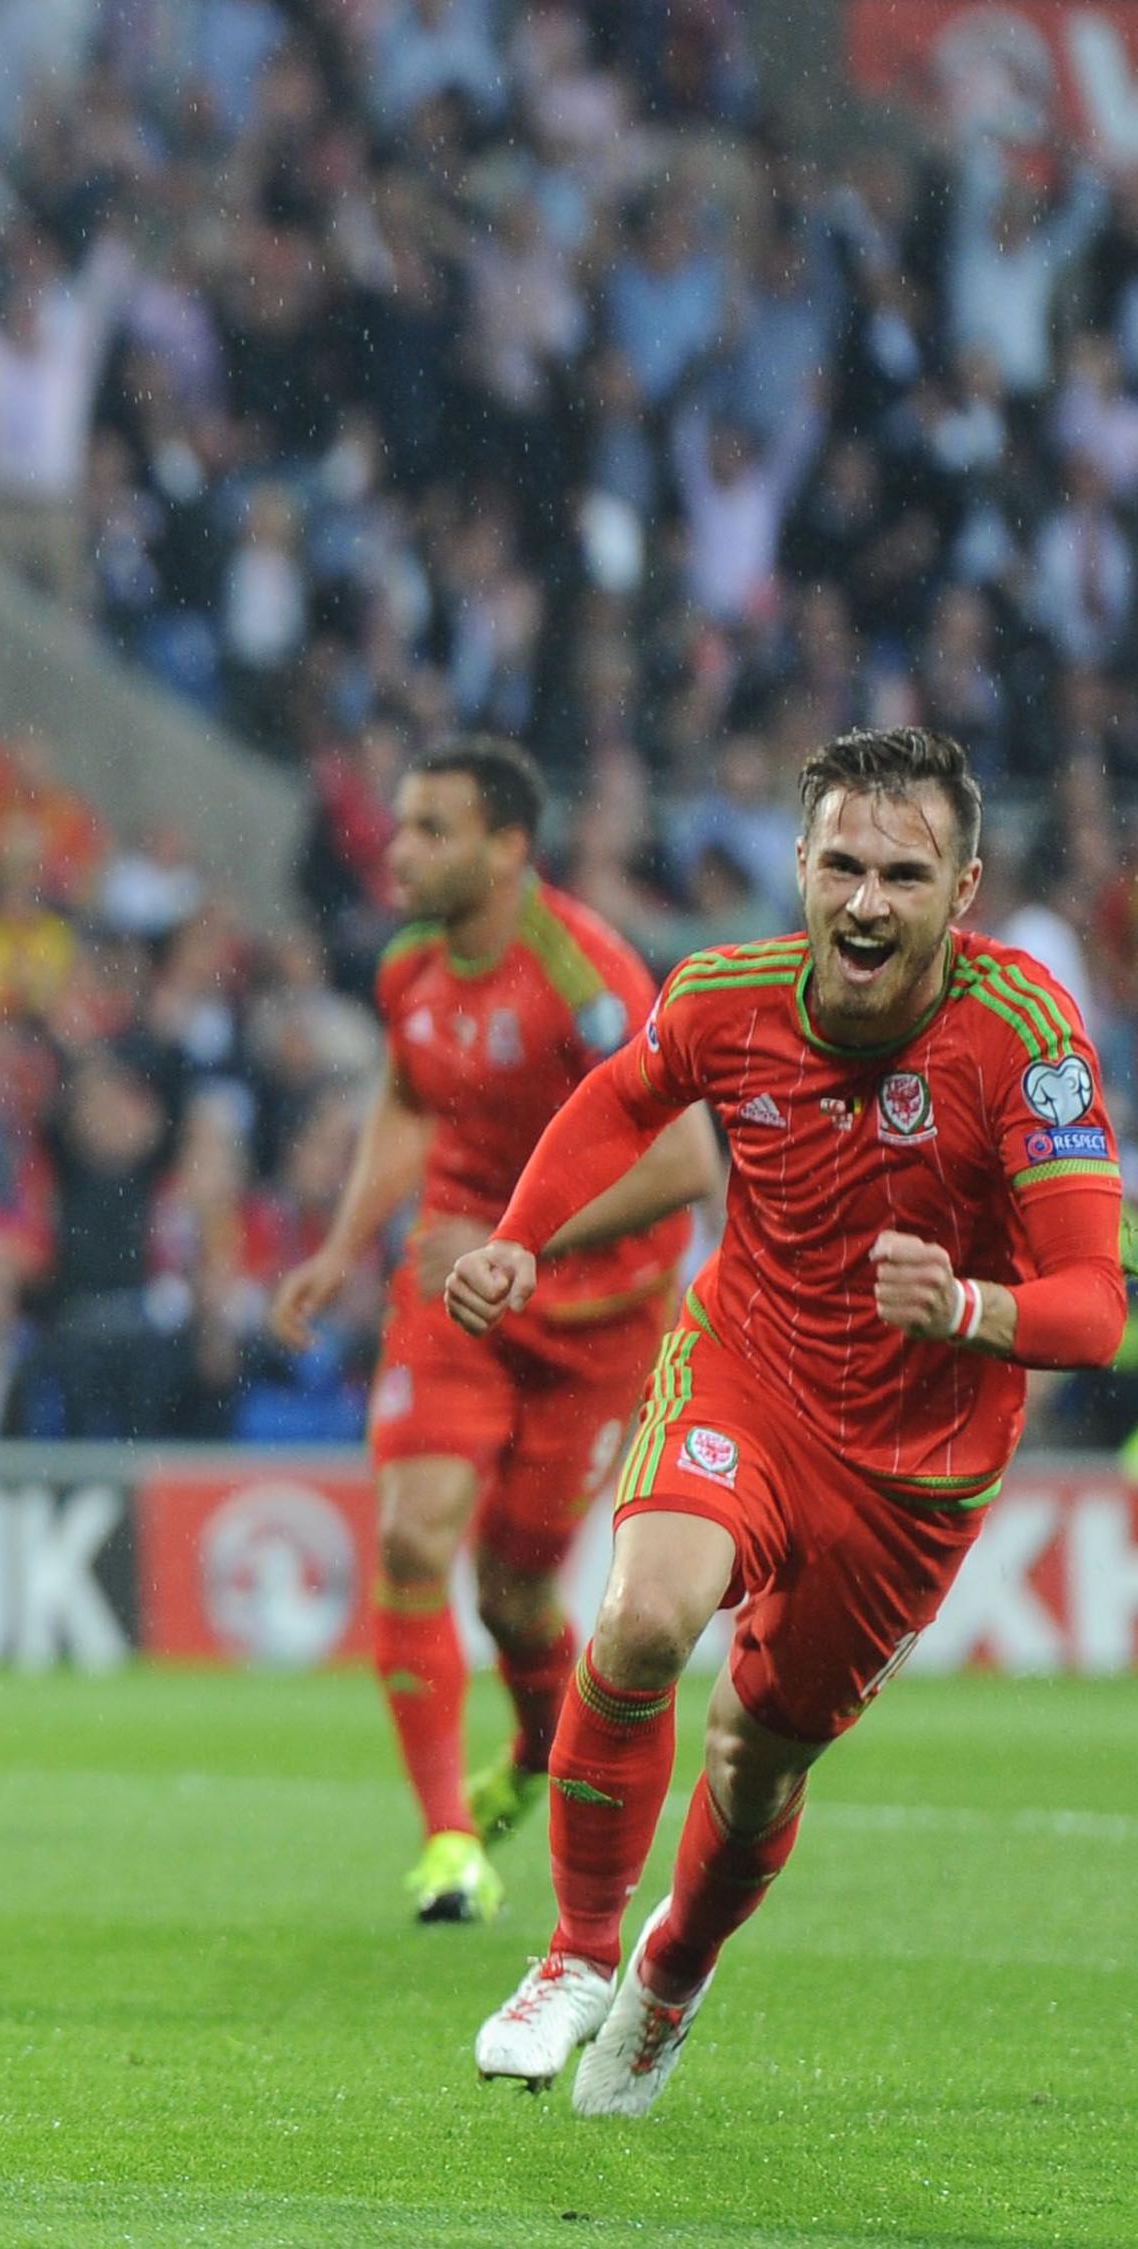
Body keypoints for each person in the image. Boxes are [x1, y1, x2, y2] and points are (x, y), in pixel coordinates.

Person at [451, 728, 1124, 2115]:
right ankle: (574, 1954)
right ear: (802, 869)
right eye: (842, 865)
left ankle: (672, 1969)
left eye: (904, 872)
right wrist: (525, 1236)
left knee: (757, 1758)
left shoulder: (1029, 1037)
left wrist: (971, 1310)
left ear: (964, 891)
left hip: (912, 1469)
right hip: (746, 1370)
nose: (867, 900)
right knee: (643, 1617)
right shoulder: (724, 998)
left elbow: (1090, 1306)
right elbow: (621, 1098)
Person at [269, 738, 716, 1924]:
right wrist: (342, 1241)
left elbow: (685, 1159)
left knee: (518, 1591)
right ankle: (449, 1840)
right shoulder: (409, 964)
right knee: (417, 1541)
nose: (399, 849)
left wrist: (523, 1245)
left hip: (593, 1314)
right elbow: (412, 1099)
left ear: (508, 847)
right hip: (452, 1280)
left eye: (430, 829)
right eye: (401, 824)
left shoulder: (587, 979)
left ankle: (531, 1749)